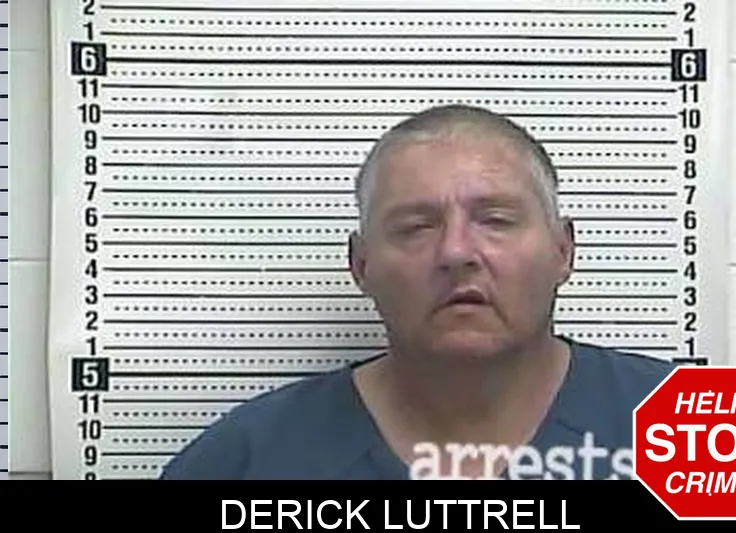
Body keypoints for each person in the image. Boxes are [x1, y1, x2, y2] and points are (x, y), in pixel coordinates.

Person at [159, 104, 676, 480]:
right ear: (361, 265)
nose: (456, 251)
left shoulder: (696, 430)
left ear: (563, 250)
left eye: (496, 220)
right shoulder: (249, 460)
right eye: (415, 227)